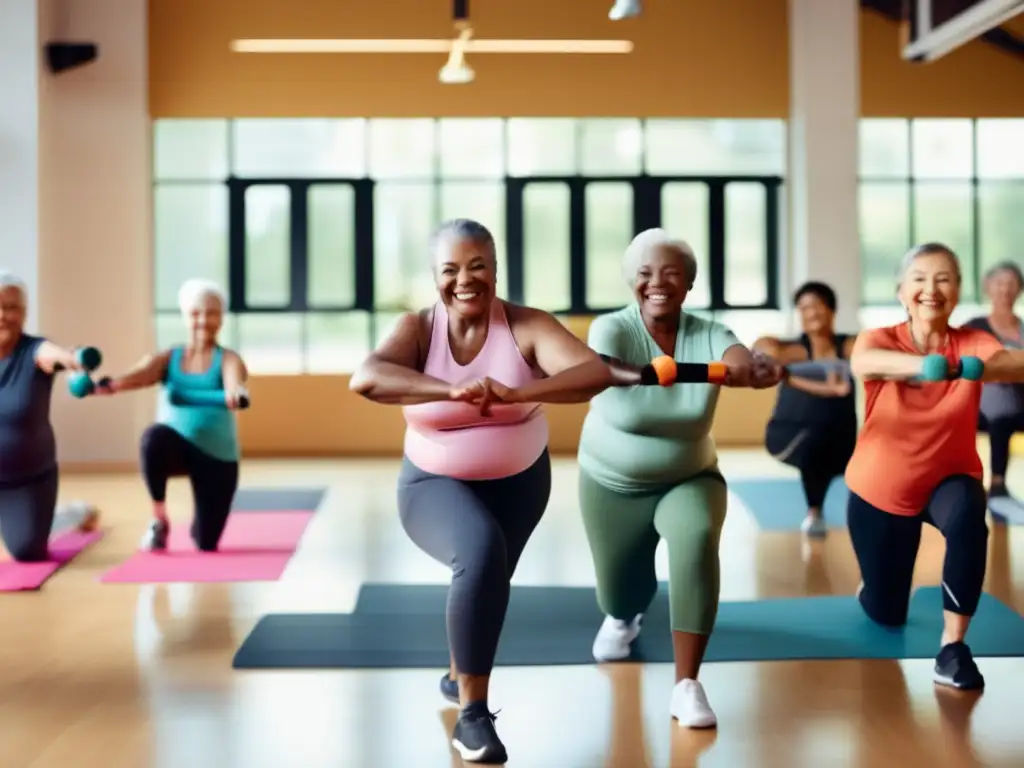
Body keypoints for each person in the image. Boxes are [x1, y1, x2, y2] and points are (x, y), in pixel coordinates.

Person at [349, 219, 712, 764]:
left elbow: (590, 373)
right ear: (435, 277)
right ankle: (473, 716)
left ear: (495, 270)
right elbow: (368, 378)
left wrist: (518, 390)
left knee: (488, 576)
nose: (464, 279)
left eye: (477, 267)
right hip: (432, 482)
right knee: (476, 553)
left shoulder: (525, 326)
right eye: (450, 270)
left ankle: (457, 675)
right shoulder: (418, 329)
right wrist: (452, 388)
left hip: (520, 486)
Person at [570, 229, 782, 730]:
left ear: (688, 283)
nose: (657, 283)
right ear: (632, 282)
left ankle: (687, 684)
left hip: (690, 476)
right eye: (645, 273)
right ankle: (623, 615)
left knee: (697, 539)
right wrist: (656, 372)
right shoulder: (612, 329)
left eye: (670, 273)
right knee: (621, 591)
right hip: (610, 481)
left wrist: (748, 367)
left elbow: (735, 358)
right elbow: (606, 367)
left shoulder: (708, 330)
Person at [845, 242, 1024, 692]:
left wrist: (983, 365)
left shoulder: (972, 341)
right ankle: (874, 589)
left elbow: (1012, 362)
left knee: (969, 517)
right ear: (902, 291)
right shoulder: (879, 338)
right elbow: (863, 362)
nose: (931, 289)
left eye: (944, 279)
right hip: (881, 489)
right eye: (920, 279)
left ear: (958, 290)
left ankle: (953, 648)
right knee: (886, 612)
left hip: (949, 477)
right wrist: (922, 366)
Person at [97, 279, 248, 553]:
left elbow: (233, 379)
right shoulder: (170, 358)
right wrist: (110, 385)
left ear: (221, 317)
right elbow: (141, 374)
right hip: (176, 448)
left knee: (206, 543)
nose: (203, 320)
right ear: (185, 316)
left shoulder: (228, 358)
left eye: (212, 312)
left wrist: (234, 393)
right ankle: (159, 519)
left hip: (217, 457)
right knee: (153, 438)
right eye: (195, 313)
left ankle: (201, 523)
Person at [0, 273, 99, 562]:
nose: (3, 315)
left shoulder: (35, 350)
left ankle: (71, 514)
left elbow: (55, 355)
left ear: (25, 313)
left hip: (26, 479)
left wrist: (76, 359)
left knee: (27, 552)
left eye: (12, 307)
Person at [754, 281, 858, 537]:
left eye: (817, 306)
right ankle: (814, 512)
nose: (810, 313)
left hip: (841, 441)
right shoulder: (792, 350)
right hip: (789, 436)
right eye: (803, 308)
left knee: (828, 439)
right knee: (815, 438)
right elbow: (762, 347)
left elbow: (873, 349)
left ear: (832, 310)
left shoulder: (849, 346)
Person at [964, 261, 1024, 521]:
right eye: (1000, 282)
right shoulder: (974, 326)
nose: (1005, 289)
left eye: (1012, 284)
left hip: (1020, 403)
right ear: (987, 287)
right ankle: (996, 488)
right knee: (1000, 415)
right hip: (980, 407)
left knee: (1006, 414)